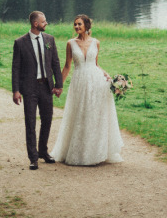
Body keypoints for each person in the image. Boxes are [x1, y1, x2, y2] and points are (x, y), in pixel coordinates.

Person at [51, 13, 123, 165]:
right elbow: (67, 66)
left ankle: (95, 152)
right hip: (79, 82)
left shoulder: (96, 43)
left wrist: (108, 76)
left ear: (86, 26)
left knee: (94, 115)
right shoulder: (70, 43)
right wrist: (59, 85)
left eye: (79, 24)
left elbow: (95, 64)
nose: (76, 27)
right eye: (75, 24)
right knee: (80, 114)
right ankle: (79, 152)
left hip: (96, 81)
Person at [11, 10, 63, 169]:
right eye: (44, 21)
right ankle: (33, 157)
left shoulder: (50, 40)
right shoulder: (20, 43)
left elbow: (55, 63)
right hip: (29, 88)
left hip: (46, 87)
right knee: (30, 122)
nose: (46, 23)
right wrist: (16, 90)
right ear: (35, 24)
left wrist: (58, 85)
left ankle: (43, 151)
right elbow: (16, 68)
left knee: (47, 119)